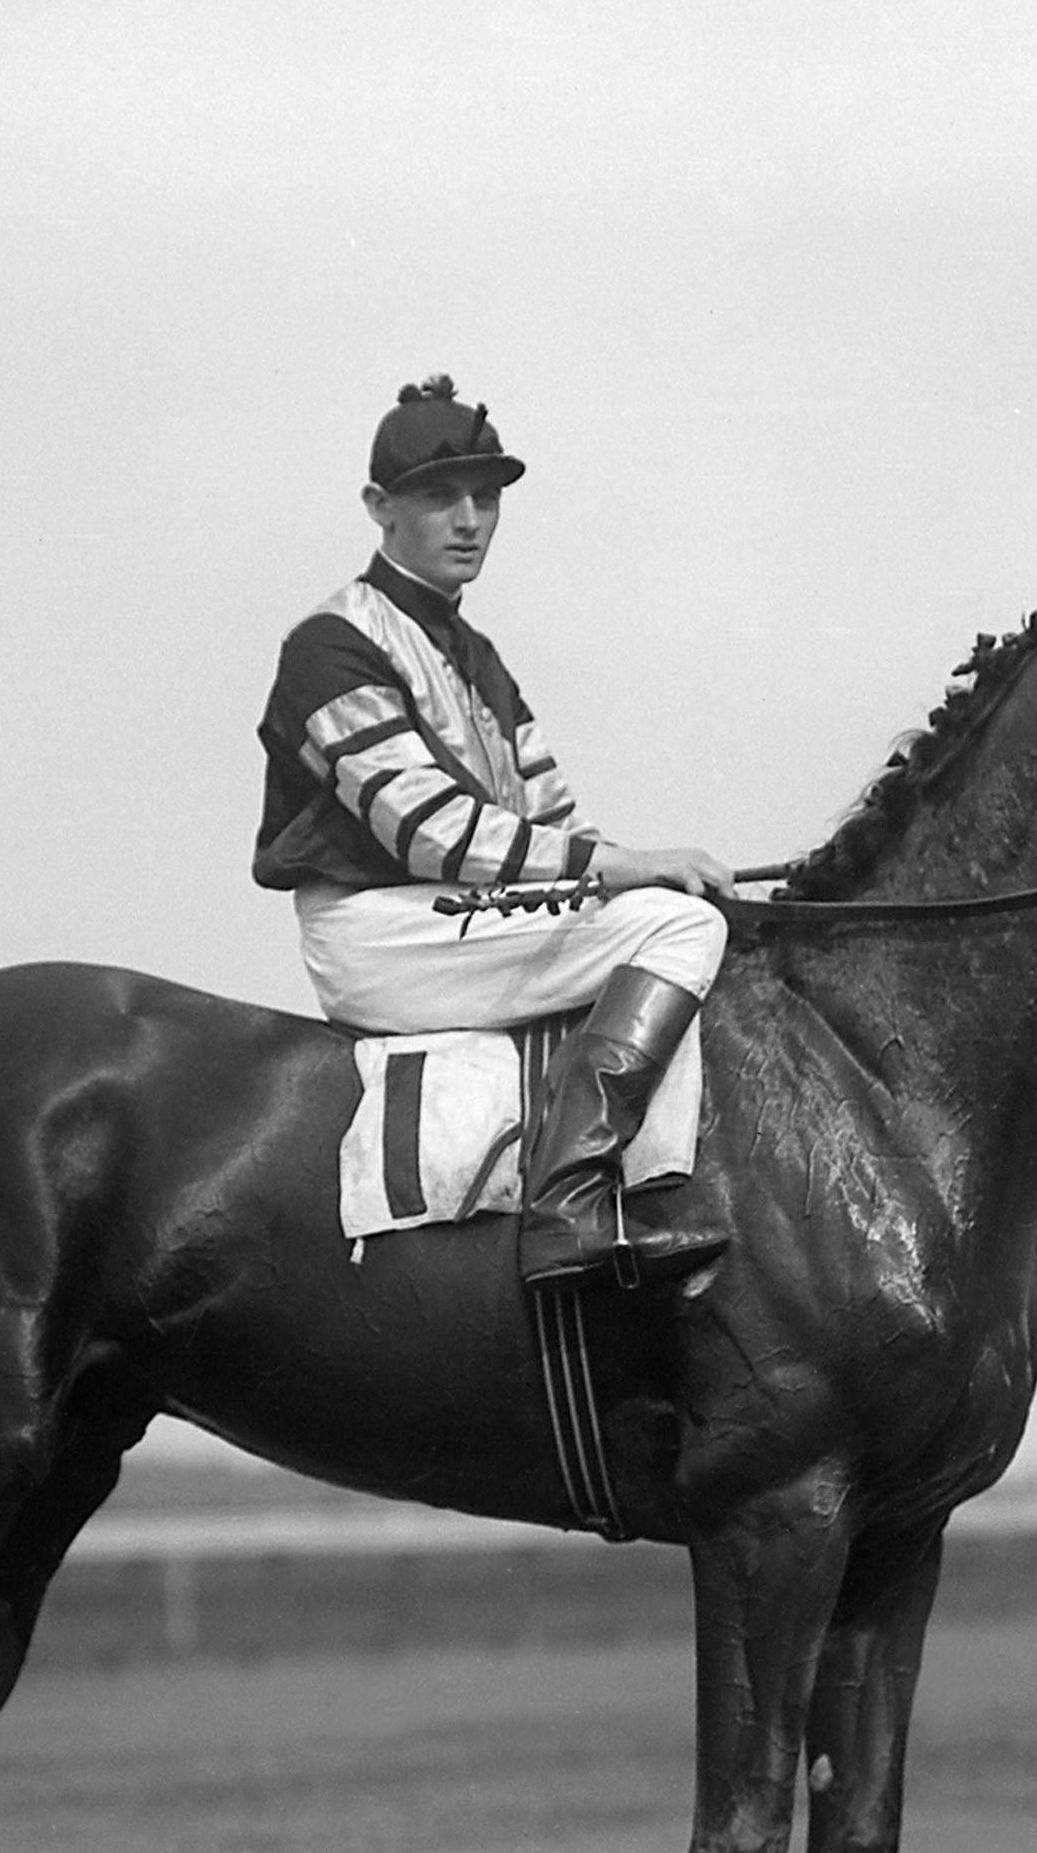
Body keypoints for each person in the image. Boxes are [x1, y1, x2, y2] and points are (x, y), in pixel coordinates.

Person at [253, 377, 733, 1289]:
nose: (469, 520)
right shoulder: (330, 644)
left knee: (684, 912)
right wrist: (629, 872)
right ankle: (569, 1203)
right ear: (379, 509)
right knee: (682, 928)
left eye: (487, 497)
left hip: (458, 921)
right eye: (439, 496)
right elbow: (438, 835)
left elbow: (554, 826)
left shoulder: (479, 661)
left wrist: (644, 873)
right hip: (381, 933)